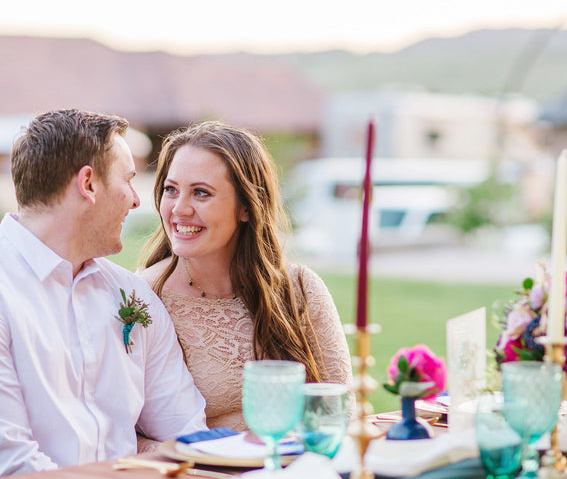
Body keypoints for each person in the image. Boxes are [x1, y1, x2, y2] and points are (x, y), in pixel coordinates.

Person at [0, 109, 207, 476]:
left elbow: (189, 437)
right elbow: (15, 467)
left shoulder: (133, 294)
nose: (136, 200)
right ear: (88, 184)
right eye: (128, 180)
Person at [138, 121, 354, 431]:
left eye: (201, 193)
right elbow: (124, 438)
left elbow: (340, 416)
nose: (179, 209)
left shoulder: (300, 289)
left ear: (247, 207)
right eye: (171, 190)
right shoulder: (144, 298)